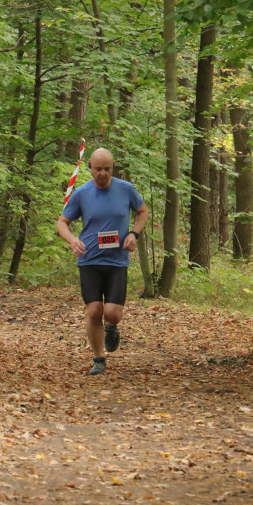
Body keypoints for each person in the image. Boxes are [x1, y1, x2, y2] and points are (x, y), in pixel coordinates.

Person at [57, 148, 149, 376]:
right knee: (94, 310)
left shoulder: (126, 189)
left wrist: (133, 234)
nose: (102, 174)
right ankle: (99, 360)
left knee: (112, 314)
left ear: (112, 168)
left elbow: (143, 211)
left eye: (107, 169)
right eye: (98, 169)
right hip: (89, 259)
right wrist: (72, 240)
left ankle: (111, 328)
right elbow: (62, 222)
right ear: (91, 168)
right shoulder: (82, 193)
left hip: (117, 260)